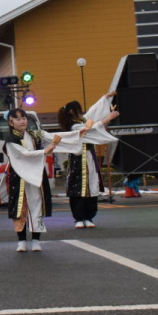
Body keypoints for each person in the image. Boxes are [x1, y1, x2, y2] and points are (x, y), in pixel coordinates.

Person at [2, 108, 85, 253]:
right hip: (20, 178)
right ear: (11, 122)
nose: (22, 121)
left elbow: (54, 136)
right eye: (18, 119)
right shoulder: (11, 140)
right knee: (20, 209)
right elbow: (24, 154)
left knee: (37, 206)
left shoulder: (35, 134)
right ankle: (21, 240)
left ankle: (36, 240)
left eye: (24, 118)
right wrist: (46, 150)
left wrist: (76, 135)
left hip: (36, 176)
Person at [57, 94, 120, 228]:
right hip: (78, 159)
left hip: (89, 158)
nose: (82, 113)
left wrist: (105, 97)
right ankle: (79, 218)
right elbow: (88, 129)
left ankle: (89, 217)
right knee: (79, 187)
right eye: (78, 110)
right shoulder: (74, 127)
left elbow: (93, 112)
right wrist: (108, 118)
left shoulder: (83, 121)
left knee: (91, 186)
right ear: (72, 112)